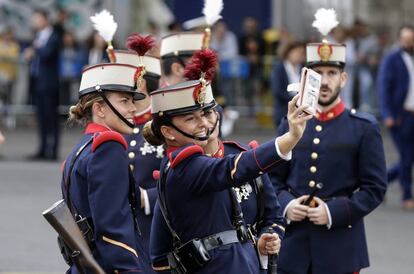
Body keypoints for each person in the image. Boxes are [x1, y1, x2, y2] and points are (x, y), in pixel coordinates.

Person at [145, 75, 311, 273]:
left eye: (207, 113)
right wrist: (290, 137)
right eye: (190, 118)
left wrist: (266, 239)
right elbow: (160, 252)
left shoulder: (239, 154)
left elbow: (272, 215)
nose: (204, 123)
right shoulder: (182, 166)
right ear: (168, 132)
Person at [271, 31, 387, 273]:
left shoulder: (363, 128)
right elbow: (273, 179)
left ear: (343, 78)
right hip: (293, 248)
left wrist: (332, 212)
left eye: (332, 73)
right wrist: (287, 205)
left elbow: (374, 189)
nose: (324, 81)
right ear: (306, 79)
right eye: (317, 74)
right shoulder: (290, 124)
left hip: (340, 247)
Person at [61, 62, 151, 273]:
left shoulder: (82, 147)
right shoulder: (108, 147)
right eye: (124, 101)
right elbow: (112, 228)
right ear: (99, 109)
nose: (133, 108)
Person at [113, 46, 163, 273]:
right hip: (120, 226)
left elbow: (182, 175)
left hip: (155, 226)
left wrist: (146, 197)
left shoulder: (164, 125)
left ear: (140, 83)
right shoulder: (117, 124)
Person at [378, 25, 414, 209]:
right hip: (401, 117)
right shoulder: (392, 59)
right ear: (400, 39)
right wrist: (387, 114)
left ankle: (379, 184)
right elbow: (384, 87)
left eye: (411, 39)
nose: (408, 43)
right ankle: (407, 196)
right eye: (405, 39)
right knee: (407, 157)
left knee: (409, 158)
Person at [23, 10, 61, 160]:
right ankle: (43, 148)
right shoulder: (37, 37)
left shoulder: (54, 36)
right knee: (41, 117)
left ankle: (53, 150)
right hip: (37, 82)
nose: (35, 22)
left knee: (51, 117)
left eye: (37, 19)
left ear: (45, 19)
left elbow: (46, 55)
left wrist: (35, 49)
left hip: (49, 83)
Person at [271, 41, 305, 127]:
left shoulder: (303, 68)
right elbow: (277, 90)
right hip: (283, 110)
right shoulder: (279, 68)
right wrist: (295, 100)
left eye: (301, 53)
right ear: (289, 52)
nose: (299, 55)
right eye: (297, 52)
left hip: (300, 111)